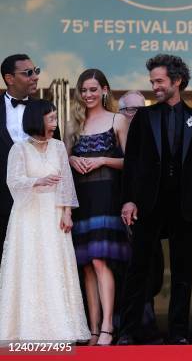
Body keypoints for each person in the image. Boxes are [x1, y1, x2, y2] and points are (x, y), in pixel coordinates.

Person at [118, 54, 192, 345]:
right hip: (149, 203)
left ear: (177, 81)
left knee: (183, 272)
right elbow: (132, 163)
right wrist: (129, 200)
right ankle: (127, 332)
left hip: (184, 205)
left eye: (159, 81)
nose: (155, 86)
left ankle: (179, 334)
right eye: (152, 82)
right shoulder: (144, 117)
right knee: (138, 268)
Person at [0, 99, 89, 342]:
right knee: (30, 265)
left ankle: (60, 329)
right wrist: (36, 182)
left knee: (54, 265)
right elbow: (13, 182)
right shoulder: (19, 149)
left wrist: (67, 213)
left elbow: (66, 184)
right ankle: (25, 329)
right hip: (27, 216)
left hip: (53, 214)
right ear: (37, 119)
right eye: (50, 118)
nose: (54, 122)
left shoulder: (59, 147)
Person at [65, 69, 130, 345]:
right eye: (84, 90)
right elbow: (61, 159)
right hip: (81, 199)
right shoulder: (71, 124)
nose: (88, 94)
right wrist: (70, 160)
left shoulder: (119, 119)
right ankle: (92, 330)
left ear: (104, 89)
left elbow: (131, 162)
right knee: (86, 265)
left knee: (101, 261)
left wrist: (103, 159)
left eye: (93, 89)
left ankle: (107, 327)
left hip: (107, 196)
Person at [0, 54, 57, 261]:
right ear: (9, 78)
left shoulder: (45, 108)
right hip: (2, 199)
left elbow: (53, 153)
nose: (35, 77)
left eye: (36, 71)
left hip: (39, 201)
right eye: (28, 73)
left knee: (37, 260)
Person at [117, 90, 163, 343]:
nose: (135, 115)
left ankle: (147, 326)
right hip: (117, 214)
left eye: (140, 109)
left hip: (149, 216)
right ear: (120, 112)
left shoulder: (154, 136)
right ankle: (124, 329)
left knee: (152, 273)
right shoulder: (114, 135)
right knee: (123, 272)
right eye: (130, 110)